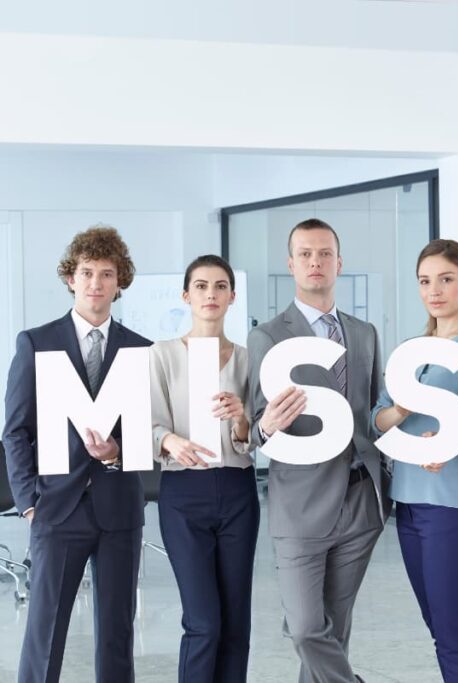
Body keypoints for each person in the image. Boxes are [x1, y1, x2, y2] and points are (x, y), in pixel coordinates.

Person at [3, 225, 150, 683]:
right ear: (71, 277)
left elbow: (144, 434)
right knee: (45, 633)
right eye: (87, 272)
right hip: (55, 509)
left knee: (116, 635)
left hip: (119, 512)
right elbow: (15, 431)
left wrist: (115, 453)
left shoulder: (141, 349)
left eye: (107, 274)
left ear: (119, 283)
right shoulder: (36, 342)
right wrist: (28, 501)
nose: (95, 284)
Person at [246, 217, 390, 683]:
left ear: (338, 263)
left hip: (360, 501)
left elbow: (371, 413)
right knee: (308, 629)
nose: (315, 262)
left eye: (324, 253)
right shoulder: (268, 337)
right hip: (301, 504)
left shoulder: (363, 332)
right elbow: (252, 427)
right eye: (305, 254)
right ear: (291, 264)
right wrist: (265, 427)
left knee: (335, 628)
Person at [371, 239, 458, 682]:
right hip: (407, 503)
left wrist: (450, 442)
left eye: (446, 279)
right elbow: (379, 417)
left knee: (451, 630)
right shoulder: (411, 349)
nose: (435, 290)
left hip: (453, 505)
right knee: (436, 626)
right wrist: (403, 411)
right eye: (425, 281)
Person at [149, 254, 258, 682]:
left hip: (238, 490)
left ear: (232, 296)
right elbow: (149, 421)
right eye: (200, 286)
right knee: (203, 622)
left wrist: (241, 418)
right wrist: (168, 439)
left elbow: (256, 435)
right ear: (186, 295)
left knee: (236, 623)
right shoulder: (161, 355)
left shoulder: (249, 359)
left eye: (219, 287)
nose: (210, 294)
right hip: (182, 493)